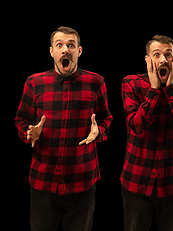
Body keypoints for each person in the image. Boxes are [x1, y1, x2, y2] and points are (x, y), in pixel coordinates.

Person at [15, 26, 113, 231]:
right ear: (52, 51)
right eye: (59, 45)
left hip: (82, 182)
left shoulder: (96, 82)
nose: (65, 50)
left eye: (71, 45)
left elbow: (105, 119)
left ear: (79, 51)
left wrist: (99, 132)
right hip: (43, 182)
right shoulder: (34, 82)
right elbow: (21, 119)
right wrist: (29, 132)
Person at [120, 35, 173, 231]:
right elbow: (137, 127)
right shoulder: (131, 83)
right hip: (136, 182)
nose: (163, 60)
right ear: (148, 60)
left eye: (168, 54)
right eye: (156, 55)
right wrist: (154, 90)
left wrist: (172, 89)